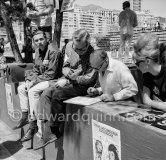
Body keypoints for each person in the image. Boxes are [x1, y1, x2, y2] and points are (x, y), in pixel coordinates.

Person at [33, 29, 98, 150]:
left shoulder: (93, 54)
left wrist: (72, 79)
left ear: (88, 44)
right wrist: (67, 74)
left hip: (82, 85)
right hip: (68, 78)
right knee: (46, 93)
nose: (78, 51)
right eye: (76, 48)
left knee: (57, 95)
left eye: (82, 49)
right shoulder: (69, 46)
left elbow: (90, 78)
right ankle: (44, 130)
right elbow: (65, 66)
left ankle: (55, 129)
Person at [13, 30, 63, 142]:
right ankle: (26, 116)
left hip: (54, 80)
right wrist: (29, 79)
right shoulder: (37, 51)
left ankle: (36, 124)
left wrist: (34, 81)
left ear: (46, 39)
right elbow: (36, 69)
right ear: (34, 42)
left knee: (32, 91)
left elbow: (51, 73)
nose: (39, 42)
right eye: (36, 40)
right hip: (42, 79)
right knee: (21, 88)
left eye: (41, 39)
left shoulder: (53, 51)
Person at [133, 33, 166, 111]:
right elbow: (145, 98)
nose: (136, 66)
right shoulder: (147, 74)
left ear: (147, 61)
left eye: (137, 63)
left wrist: (150, 102)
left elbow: (147, 101)